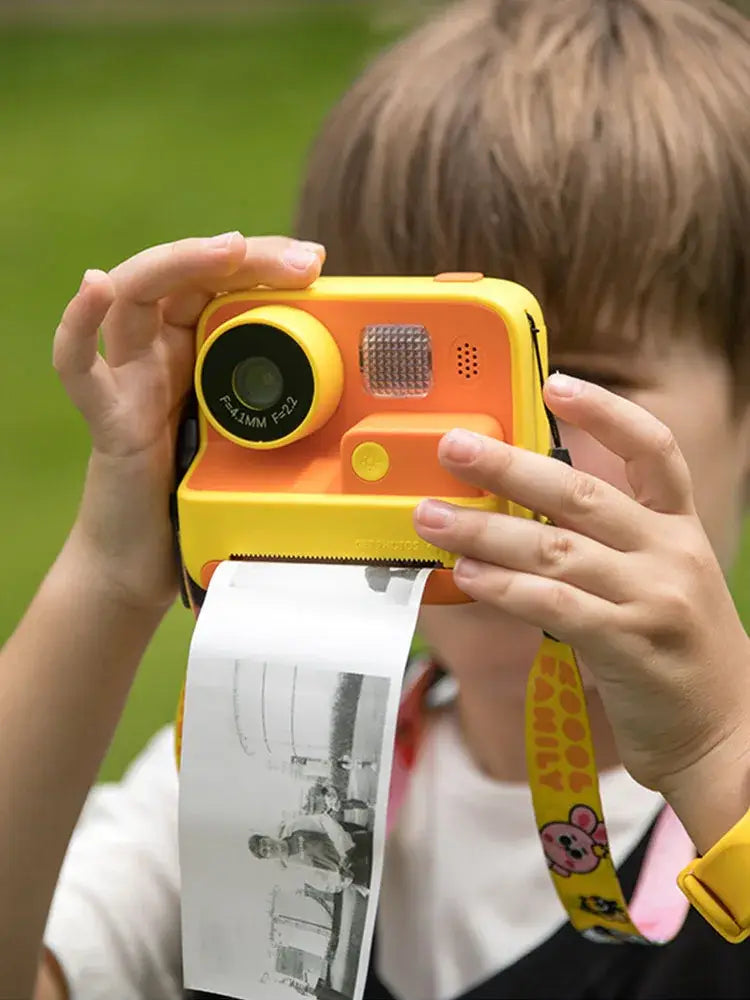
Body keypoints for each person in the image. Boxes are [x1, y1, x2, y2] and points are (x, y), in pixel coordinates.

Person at [3, 0, 749, 997]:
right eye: (424, 368)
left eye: (559, 375)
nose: (474, 450)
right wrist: (109, 573)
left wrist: (716, 751)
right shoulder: (257, 770)